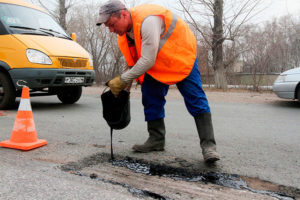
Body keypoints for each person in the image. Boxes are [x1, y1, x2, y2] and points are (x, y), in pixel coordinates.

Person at [96, 0, 220, 163]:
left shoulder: (148, 20)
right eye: (108, 27)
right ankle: (156, 140)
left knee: (195, 99)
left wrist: (122, 80)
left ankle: (209, 147)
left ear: (124, 14)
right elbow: (133, 64)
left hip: (181, 56)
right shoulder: (123, 36)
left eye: (112, 24)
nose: (111, 30)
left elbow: (147, 60)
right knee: (150, 97)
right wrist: (124, 88)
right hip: (156, 63)